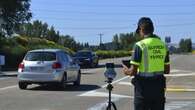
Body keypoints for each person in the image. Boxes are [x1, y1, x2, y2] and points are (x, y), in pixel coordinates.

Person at [123, 17, 170, 110]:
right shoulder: (163, 45)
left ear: (141, 29)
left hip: (143, 90)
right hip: (158, 90)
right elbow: (167, 70)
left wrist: (126, 70)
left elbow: (133, 71)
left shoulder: (140, 45)